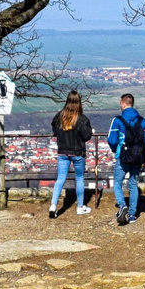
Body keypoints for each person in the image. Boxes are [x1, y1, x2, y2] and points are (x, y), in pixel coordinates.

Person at [107, 93, 145, 225]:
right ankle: (132, 215)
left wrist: (116, 150)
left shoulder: (117, 120)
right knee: (133, 185)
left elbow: (112, 140)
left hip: (123, 156)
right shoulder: (143, 121)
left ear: (123, 103)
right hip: (138, 157)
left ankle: (122, 205)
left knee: (117, 182)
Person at [48, 90, 94, 218]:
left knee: (60, 179)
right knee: (79, 178)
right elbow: (87, 135)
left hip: (62, 151)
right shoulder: (81, 119)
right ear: (79, 102)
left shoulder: (59, 116)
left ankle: (53, 205)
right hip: (78, 152)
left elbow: (54, 128)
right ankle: (80, 207)